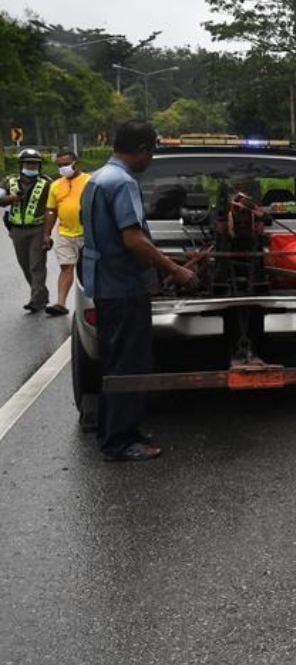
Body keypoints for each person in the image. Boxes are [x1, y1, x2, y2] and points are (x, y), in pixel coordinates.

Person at [81, 120, 197, 462]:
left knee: (115, 362)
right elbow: (133, 239)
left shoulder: (97, 178)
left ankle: (115, 431)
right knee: (129, 365)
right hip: (123, 288)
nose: (151, 158)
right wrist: (176, 269)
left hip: (106, 284)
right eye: (152, 151)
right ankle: (120, 442)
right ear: (144, 149)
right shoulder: (123, 183)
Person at [1, 147, 53, 313]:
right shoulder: (9, 181)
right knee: (25, 265)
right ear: (21, 164)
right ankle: (41, 295)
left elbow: (51, 208)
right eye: (28, 164)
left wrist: (47, 233)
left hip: (38, 229)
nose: (31, 167)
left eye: (34, 164)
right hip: (17, 230)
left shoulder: (47, 183)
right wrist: (12, 198)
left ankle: (36, 299)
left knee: (36, 265)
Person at [42, 149, 90, 316]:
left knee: (88, 270)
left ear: (75, 163)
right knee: (66, 267)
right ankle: (60, 304)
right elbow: (50, 211)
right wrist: (46, 234)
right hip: (64, 234)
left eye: (66, 164)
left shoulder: (90, 181)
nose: (62, 168)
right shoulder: (55, 185)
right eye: (59, 165)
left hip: (88, 234)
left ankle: (92, 303)